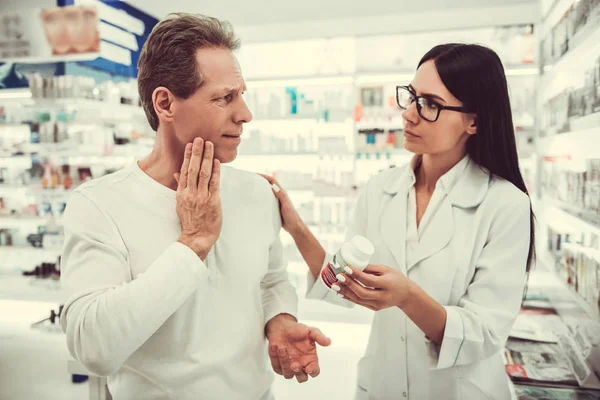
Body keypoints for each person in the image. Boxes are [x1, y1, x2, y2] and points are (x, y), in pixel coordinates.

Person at [59, 13, 330, 400]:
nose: (245, 114)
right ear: (165, 103)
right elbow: (93, 348)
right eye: (224, 98)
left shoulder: (256, 192)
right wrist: (193, 243)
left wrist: (280, 319)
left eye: (242, 94)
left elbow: (271, 280)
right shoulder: (99, 205)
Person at [262, 43, 534, 400]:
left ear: (474, 120)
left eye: (431, 105)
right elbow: (341, 280)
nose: (409, 114)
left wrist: (408, 297)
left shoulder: (505, 204)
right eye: (411, 97)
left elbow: (483, 332)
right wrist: (295, 226)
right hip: (382, 383)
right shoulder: (381, 188)